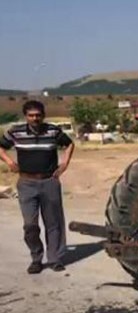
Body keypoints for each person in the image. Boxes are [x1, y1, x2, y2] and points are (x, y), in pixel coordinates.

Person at [0, 100, 75, 274]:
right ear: (26, 116)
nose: (35, 118)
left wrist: (65, 164)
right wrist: (10, 162)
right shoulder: (15, 132)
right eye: (31, 115)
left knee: (53, 222)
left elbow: (70, 144)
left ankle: (55, 258)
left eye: (38, 115)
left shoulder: (53, 131)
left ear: (43, 115)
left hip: (49, 182)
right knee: (30, 225)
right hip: (26, 183)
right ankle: (36, 258)